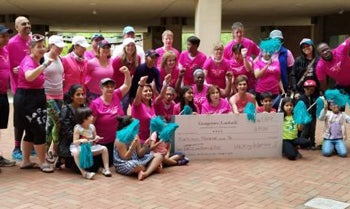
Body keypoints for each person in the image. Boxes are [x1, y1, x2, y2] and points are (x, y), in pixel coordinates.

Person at [14, 34, 54, 172]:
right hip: (27, 99)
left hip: (35, 97)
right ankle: (42, 162)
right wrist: (44, 66)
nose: (42, 49)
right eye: (38, 47)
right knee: (39, 130)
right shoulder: (29, 61)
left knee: (31, 131)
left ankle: (25, 161)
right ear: (31, 49)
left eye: (43, 46)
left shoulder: (36, 61)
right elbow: (29, 76)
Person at [90, 72, 130, 166]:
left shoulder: (116, 95)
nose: (110, 89)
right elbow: (91, 124)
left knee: (116, 162)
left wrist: (127, 73)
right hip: (102, 143)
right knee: (104, 164)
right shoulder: (95, 104)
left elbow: (127, 85)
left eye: (112, 86)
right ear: (101, 88)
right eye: (107, 87)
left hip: (116, 141)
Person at [58, 84, 100, 173]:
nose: (81, 97)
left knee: (95, 165)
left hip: (84, 143)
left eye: (82, 94)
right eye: (78, 94)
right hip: (69, 145)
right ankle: (64, 160)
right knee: (85, 167)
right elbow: (66, 132)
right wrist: (81, 138)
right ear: (72, 96)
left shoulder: (84, 108)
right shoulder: (66, 110)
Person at [7, 16, 31, 160]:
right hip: (19, 88)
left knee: (32, 117)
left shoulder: (33, 40)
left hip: (33, 86)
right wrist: (14, 70)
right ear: (16, 27)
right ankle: (16, 147)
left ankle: (29, 144)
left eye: (28, 23)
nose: (27, 26)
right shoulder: (11, 43)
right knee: (19, 119)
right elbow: (7, 65)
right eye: (23, 24)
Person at [114, 116, 163, 180]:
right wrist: (132, 147)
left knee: (159, 156)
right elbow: (125, 157)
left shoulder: (135, 135)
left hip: (137, 160)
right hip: (124, 163)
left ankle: (145, 173)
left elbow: (139, 154)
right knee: (134, 165)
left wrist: (145, 146)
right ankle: (152, 167)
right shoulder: (120, 139)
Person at [70, 107, 112, 179]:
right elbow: (75, 142)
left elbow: (94, 138)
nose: (92, 117)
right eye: (90, 116)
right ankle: (84, 173)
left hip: (91, 147)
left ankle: (106, 169)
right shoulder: (78, 128)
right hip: (81, 148)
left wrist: (96, 138)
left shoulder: (92, 127)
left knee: (104, 148)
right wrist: (80, 140)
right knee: (76, 153)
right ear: (84, 118)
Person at [43, 35, 66, 163]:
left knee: (53, 123)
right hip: (48, 96)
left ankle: (50, 151)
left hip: (59, 95)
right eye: (58, 46)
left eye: (61, 47)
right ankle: (53, 151)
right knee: (57, 122)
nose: (60, 49)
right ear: (51, 45)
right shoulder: (44, 58)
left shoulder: (59, 59)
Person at [0, 24, 16, 169]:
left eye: (7, 35)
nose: (6, 38)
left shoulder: (5, 51)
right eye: (3, 36)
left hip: (3, 93)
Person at [112, 38, 140, 113]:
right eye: (128, 45)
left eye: (132, 45)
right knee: (121, 107)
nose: (130, 47)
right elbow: (112, 75)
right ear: (124, 47)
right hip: (119, 87)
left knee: (129, 106)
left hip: (130, 86)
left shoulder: (137, 58)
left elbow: (136, 73)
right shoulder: (118, 60)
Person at [254, 39, 285, 106]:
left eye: (269, 52)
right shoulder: (257, 63)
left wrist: (282, 90)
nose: (267, 54)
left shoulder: (276, 63)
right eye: (265, 52)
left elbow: (278, 78)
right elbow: (257, 75)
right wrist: (267, 65)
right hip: (262, 92)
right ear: (262, 52)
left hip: (275, 92)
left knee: (274, 113)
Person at [85, 40, 114, 104]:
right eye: (103, 48)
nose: (106, 49)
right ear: (99, 49)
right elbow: (84, 75)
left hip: (107, 94)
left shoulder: (112, 61)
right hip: (93, 94)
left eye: (107, 48)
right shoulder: (91, 63)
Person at [131, 76, 156, 144]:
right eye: (145, 91)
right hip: (139, 141)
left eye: (150, 91)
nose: (148, 92)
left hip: (151, 140)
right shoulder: (137, 104)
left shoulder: (152, 104)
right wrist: (141, 85)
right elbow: (137, 97)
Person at [297, 80, 318, 150]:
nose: (310, 91)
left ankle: (312, 143)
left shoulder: (314, 98)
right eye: (308, 89)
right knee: (304, 131)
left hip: (313, 117)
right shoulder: (301, 98)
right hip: (305, 118)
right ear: (304, 89)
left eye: (312, 89)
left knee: (312, 130)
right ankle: (302, 144)